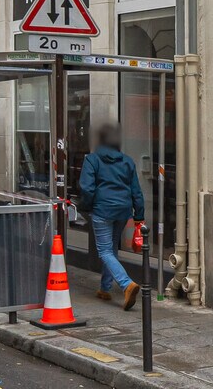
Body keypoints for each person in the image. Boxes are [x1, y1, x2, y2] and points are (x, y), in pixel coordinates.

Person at [77, 123, 144, 309]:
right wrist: (139, 216)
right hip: (123, 211)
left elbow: (87, 188)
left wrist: (85, 206)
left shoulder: (92, 160)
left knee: (105, 251)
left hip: (102, 211)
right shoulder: (128, 161)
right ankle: (105, 288)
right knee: (111, 248)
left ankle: (126, 284)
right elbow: (136, 191)